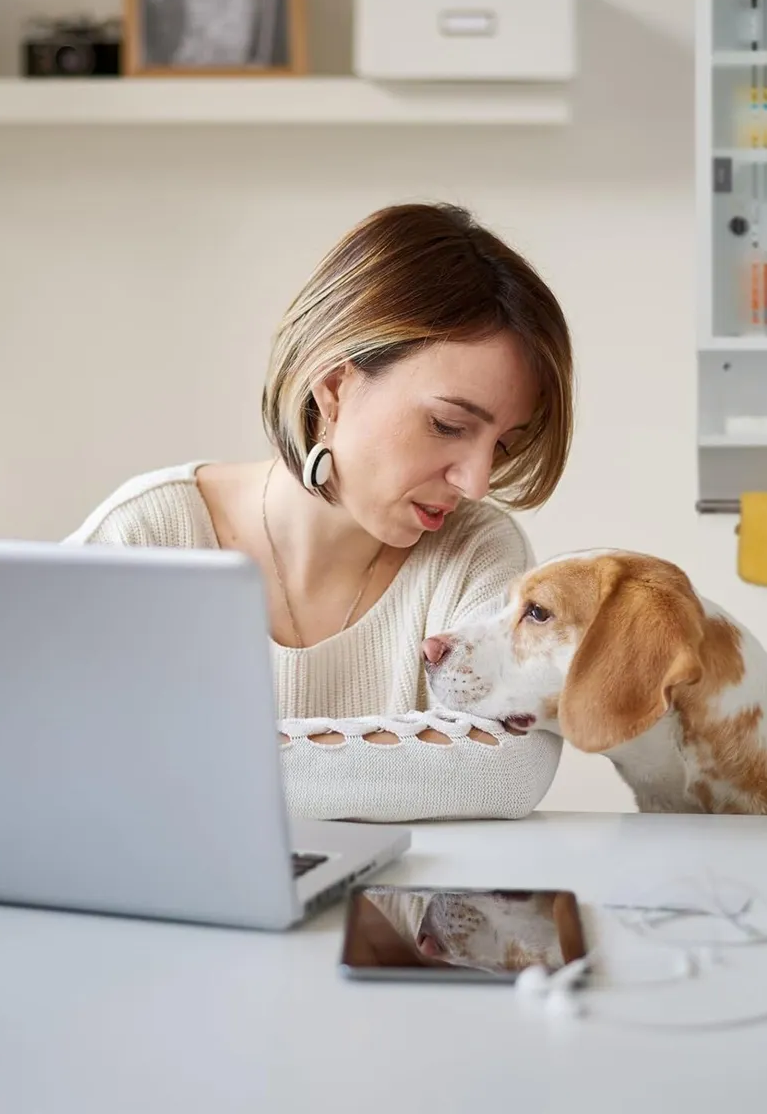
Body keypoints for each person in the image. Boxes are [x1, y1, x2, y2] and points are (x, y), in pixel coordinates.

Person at [66, 202, 574, 822]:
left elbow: (508, 770)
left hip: (404, 917)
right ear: (333, 389)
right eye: (447, 425)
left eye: (501, 445)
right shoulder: (149, 538)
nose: (475, 482)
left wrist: (184, 764)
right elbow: (36, 752)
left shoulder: (476, 553)